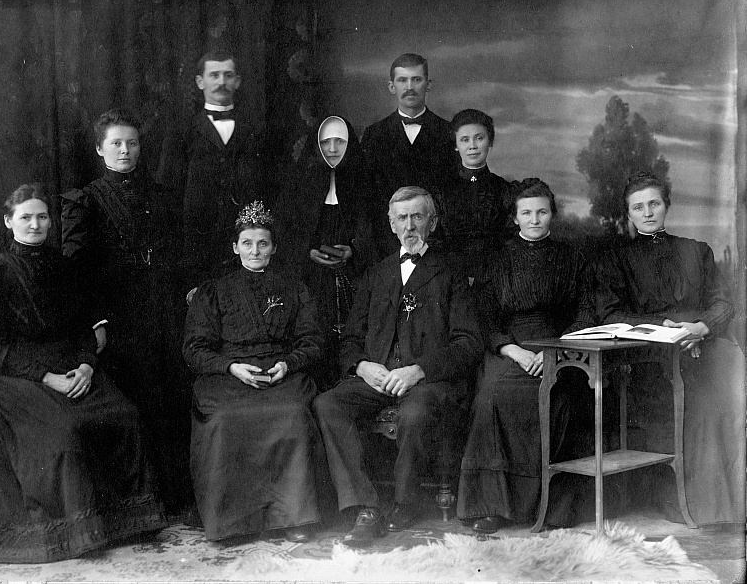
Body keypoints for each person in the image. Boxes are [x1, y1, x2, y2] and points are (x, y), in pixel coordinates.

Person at [0, 184, 167, 563]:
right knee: (64, 429)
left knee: (124, 414)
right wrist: (48, 378)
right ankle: (76, 531)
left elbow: (84, 327)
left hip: (71, 360)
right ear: (9, 222)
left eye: (42, 217)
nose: (35, 224)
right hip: (12, 372)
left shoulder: (65, 268)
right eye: (26, 217)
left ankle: (125, 523)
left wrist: (88, 364)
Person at [313, 186, 482, 547]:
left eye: (417, 217)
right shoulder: (376, 274)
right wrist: (361, 366)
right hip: (377, 376)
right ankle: (366, 506)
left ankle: (405, 502)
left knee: (414, 412)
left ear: (432, 222)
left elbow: (468, 343)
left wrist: (418, 370)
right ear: (391, 226)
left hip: (429, 380)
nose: (410, 226)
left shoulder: (451, 274)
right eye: (402, 219)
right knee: (327, 404)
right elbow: (351, 338)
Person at [61, 109, 191, 515]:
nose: (124, 150)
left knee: (170, 397)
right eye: (116, 143)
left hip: (162, 309)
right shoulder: (84, 201)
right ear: (100, 149)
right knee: (133, 398)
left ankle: (175, 497)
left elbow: (177, 254)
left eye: (131, 143)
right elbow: (74, 271)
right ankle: (135, 503)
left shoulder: (162, 194)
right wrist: (96, 321)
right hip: (116, 317)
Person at [595, 172, 745, 526]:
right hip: (650, 354)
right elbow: (610, 313)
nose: (647, 213)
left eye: (654, 204)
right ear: (628, 214)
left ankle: (732, 506)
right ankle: (700, 507)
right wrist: (666, 331)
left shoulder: (696, 250)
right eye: (638, 207)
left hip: (703, 342)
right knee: (697, 398)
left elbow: (724, 303)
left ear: (666, 206)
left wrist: (700, 327)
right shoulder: (616, 259)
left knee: (728, 377)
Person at [457, 179, 597, 534]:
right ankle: (493, 506)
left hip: (561, 348)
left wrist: (558, 350)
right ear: (515, 218)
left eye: (542, 212)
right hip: (509, 347)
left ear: (552, 214)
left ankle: (552, 507)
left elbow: (584, 310)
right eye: (526, 213)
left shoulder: (572, 258)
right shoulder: (497, 259)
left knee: (562, 397)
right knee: (492, 395)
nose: (534, 219)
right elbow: (485, 317)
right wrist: (514, 350)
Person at [184, 201, 325, 543]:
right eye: (247, 243)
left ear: (274, 247)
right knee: (227, 419)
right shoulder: (213, 291)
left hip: (282, 372)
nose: (255, 250)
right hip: (228, 376)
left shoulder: (295, 287)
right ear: (235, 247)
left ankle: (293, 517)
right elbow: (194, 349)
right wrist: (230, 366)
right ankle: (232, 522)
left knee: (292, 414)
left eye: (263, 243)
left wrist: (287, 364)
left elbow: (312, 340)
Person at [276, 115, 378, 389]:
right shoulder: (301, 181)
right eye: (326, 142)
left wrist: (353, 251)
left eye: (339, 141)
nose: (332, 148)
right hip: (310, 277)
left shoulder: (364, 180)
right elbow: (286, 232)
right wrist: (307, 253)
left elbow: (374, 229)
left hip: (353, 275)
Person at [157, 45, 263, 292]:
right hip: (196, 246)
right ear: (200, 82)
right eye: (214, 75)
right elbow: (168, 192)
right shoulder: (181, 131)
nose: (221, 82)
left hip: (246, 243)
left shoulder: (255, 131)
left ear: (237, 82)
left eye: (228, 75)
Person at [361, 53, 454, 254]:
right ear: (391, 86)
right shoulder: (374, 135)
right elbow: (367, 198)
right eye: (402, 80)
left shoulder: (448, 133)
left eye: (416, 79)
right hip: (387, 246)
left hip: (437, 245)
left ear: (428, 84)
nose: (409, 87)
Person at [434, 109, 516, 283]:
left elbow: (511, 242)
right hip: (449, 281)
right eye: (465, 140)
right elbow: (435, 241)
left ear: (490, 141)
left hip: (495, 281)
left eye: (479, 138)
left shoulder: (504, 190)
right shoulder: (441, 192)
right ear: (456, 145)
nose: (472, 146)